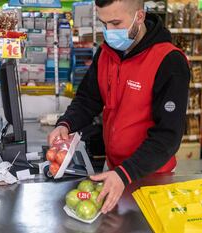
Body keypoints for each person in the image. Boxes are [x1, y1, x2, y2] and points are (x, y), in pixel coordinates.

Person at [48, 0, 190, 214]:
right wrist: (65, 124)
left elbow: (168, 136)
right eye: (104, 23)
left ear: (139, 17)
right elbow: (88, 98)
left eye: (115, 23)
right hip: (113, 170)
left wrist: (125, 173)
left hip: (152, 177)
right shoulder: (106, 54)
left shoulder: (169, 62)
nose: (109, 32)